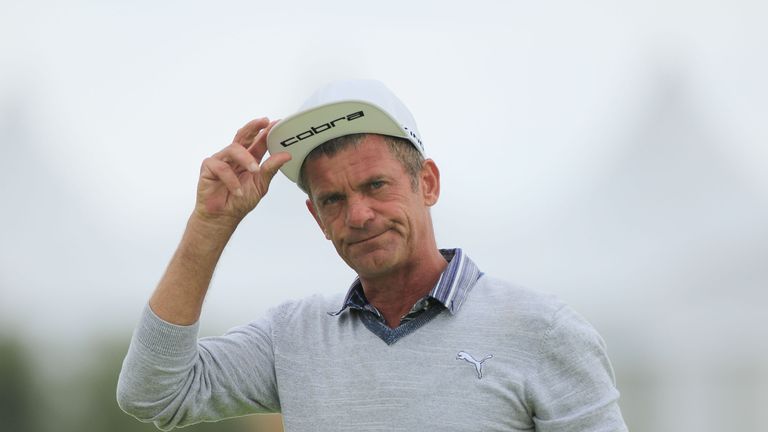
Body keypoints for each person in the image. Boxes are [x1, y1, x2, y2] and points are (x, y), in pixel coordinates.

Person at [117, 79, 628, 431]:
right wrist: (210, 225)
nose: (358, 215)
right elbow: (152, 393)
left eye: (375, 185)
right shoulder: (291, 337)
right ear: (317, 219)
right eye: (333, 200)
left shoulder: (544, 332)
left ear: (426, 182)